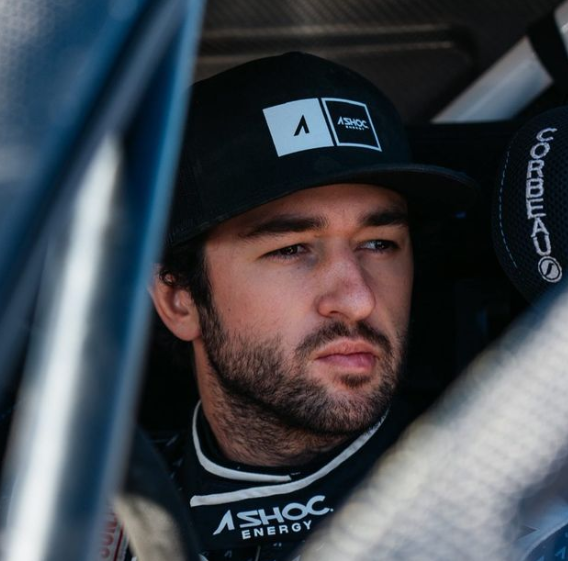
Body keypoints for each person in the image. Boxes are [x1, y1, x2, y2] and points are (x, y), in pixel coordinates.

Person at [146, 51, 477, 561]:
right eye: (291, 249)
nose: (358, 299)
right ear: (179, 300)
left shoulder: (513, 511)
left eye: (380, 244)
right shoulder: (71, 516)